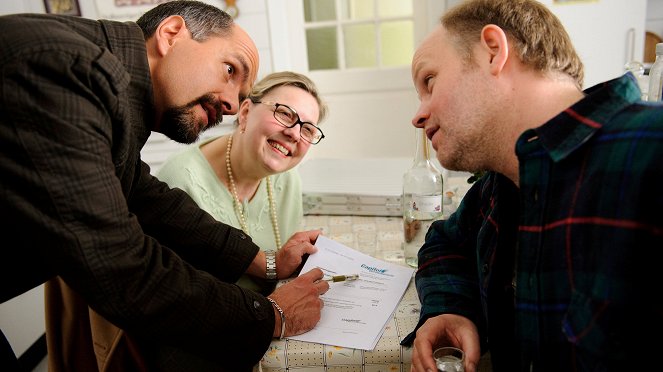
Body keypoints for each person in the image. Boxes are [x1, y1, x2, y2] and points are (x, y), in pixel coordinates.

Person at [0, 1, 329, 371]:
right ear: (171, 34)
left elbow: (145, 197)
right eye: (230, 69)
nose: (232, 104)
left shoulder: (108, 94)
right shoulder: (66, 71)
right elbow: (121, 266)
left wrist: (265, 262)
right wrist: (273, 316)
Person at [401, 0, 663, 371]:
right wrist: (452, 308)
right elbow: (444, 241)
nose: (418, 115)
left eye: (429, 81)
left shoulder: (650, 152)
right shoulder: (500, 185)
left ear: (493, 51)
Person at [157, 71, 328, 295]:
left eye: (307, 130)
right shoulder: (179, 181)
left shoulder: (288, 179)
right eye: (285, 114)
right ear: (246, 112)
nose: (295, 134)